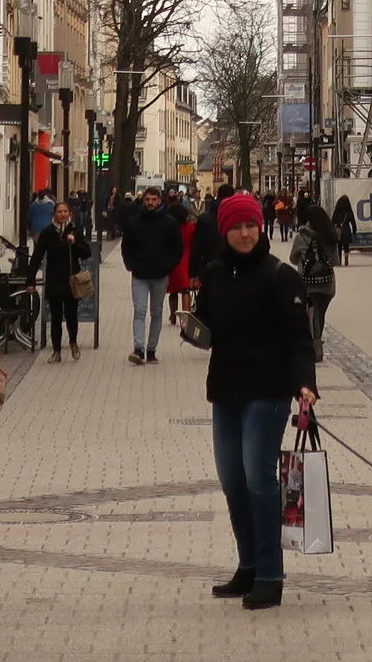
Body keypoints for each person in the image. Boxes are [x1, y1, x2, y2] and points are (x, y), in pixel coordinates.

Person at [191, 192, 316, 611]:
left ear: (260, 227)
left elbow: (301, 339)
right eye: (236, 227)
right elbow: (206, 322)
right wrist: (191, 327)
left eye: (250, 226)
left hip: (267, 392)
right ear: (224, 231)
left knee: (260, 482)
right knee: (232, 481)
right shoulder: (214, 273)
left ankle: (269, 574)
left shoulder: (280, 276)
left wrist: (304, 384)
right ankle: (247, 565)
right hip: (225, 391)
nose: (244, 234)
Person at [117, 185, 182, 365]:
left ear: (159, 201)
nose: (150, 203)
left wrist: (168, 266)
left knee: (157, 312)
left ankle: (152, 349)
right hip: (139, 274)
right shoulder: (133, 223)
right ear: (142, 201)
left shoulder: (169, 223)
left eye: (154, 199)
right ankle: (138, 349)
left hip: (161, 275)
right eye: (147, 200)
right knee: (139, 311)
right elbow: (126, 247)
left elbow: (177, 249)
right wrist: (130, 265)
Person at [26, 199, 88, 360]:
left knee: (71, 315)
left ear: (69, 214)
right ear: (54, 214)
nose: (62, 214)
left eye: (65, 212)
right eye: (59, 212)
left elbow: (86, 253)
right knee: (55, 316)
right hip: (54, 279)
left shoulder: (75, 230)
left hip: (71, 280)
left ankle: (73, 342)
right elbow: (37, 256)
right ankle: (56, 351)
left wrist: (74, 243)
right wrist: (30, 280)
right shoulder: (48, 232)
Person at [290, 194, 339, 361]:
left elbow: (293, 259)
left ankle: (316, 349)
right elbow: (336, 261)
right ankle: (317, 343)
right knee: (320, 315)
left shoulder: (302, 236)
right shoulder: (330, 235)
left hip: (307, 283)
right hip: (328, 284)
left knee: (312, 316)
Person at [331, 193, 356, 265]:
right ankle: (346, 256)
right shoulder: (349, 211)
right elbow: (352, 221)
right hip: (346, 229)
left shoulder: (337, 210)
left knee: (338, 246)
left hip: (338, 229)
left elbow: (333, 220)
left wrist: (332, 229)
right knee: (346, 246)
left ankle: (339, 260)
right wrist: (354, 230)